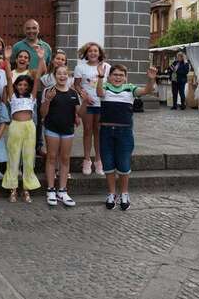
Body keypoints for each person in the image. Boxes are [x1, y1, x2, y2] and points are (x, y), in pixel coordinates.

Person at [97, 64, 157, 211]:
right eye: (115, 75)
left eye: (121, 75)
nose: (117, 78)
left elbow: (147, 90)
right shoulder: (104, 87)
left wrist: (150, 80)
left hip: (124, 132)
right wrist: (99, 77)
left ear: (125, 77)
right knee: (108, 164)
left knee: (124, 164)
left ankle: (124, 193)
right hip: (106, 131)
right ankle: (111, 194)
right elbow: (99, 93)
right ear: (109, 76)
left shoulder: (130, 88)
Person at [41, 65, 88, 207]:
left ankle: (62, 190)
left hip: (68, 130)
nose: (62, 76)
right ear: (55, 76)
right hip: (52, 129)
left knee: (65, 159)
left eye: (65, 74)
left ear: (68, 76)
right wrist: (48, 100)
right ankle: (50, 189)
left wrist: (85, 101)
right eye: (59, 74)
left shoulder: (73, 93)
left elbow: (80, 114)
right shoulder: (49, 91)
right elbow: (43, 114)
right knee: (51, 157)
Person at [74, 42, 110, 176]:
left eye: (95, 51)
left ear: (100, 53)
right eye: (90, 51)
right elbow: (76, 85)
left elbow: (111, 83)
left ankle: (99, 161)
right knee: (88, 131)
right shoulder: (80, 67)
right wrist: (84, 96)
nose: (93, 53)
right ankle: (87, 159)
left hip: (102, 103)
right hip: (88, 103)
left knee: (99, 132)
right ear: (86, 54)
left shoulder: (107, 67)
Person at [2, 75, 40, 203]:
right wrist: (7, 59)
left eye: (25, 85)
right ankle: (13, 188)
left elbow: (37, 78)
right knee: (13, 158)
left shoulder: (31, 97)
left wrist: (41, 59)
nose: (22, 87)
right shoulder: (12, 97)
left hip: (29, 127)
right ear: (16, 86)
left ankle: (26, 189)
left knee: (29, 158)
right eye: (20, 84)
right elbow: (8, 78)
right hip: (15, 127)